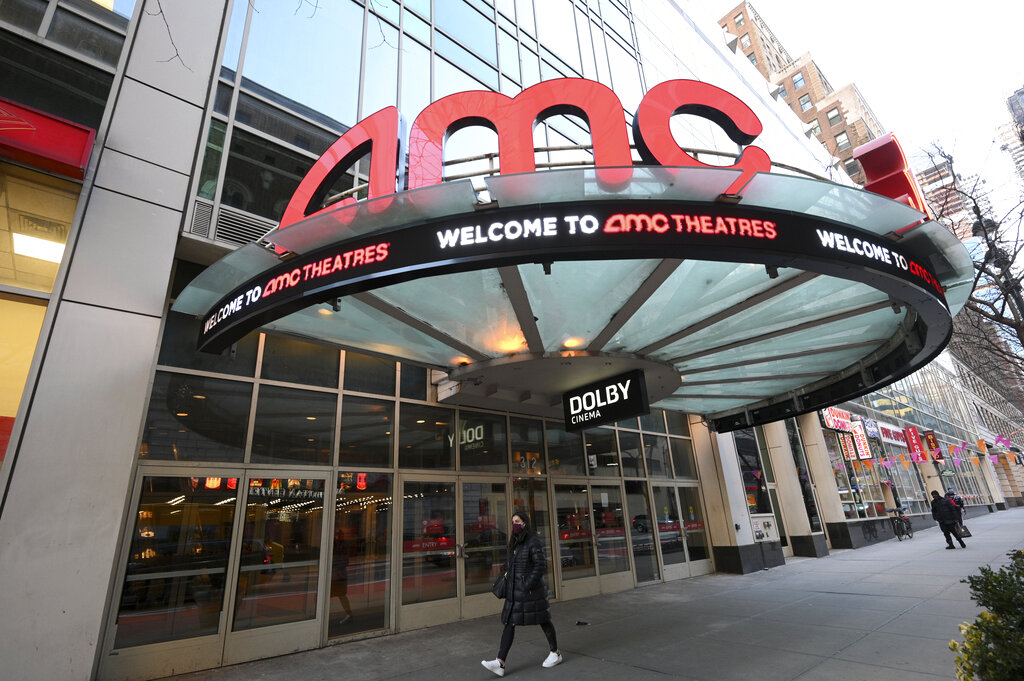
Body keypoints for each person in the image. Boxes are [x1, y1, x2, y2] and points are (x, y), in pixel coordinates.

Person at [482, 510, 562, 676]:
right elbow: (517, 563)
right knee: (510, 623)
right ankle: (500, 662)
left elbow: (540, 565)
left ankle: (555, 653)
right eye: (513, 521)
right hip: (515, 591)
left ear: (524, 522)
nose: (515, 524)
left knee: (543, 620)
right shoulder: (517, 541)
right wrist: (506, 567)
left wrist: (527, 584)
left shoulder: (533, 541)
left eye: (517, 521)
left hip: (531, 591)